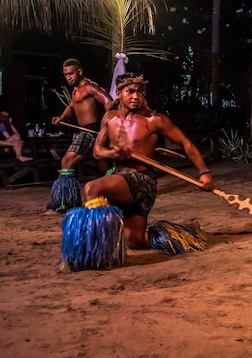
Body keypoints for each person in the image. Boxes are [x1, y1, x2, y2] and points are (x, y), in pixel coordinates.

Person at [60, 73, 215, 272]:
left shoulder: (154, 120)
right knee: (135, 241)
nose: (136, 96)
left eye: (140, 92)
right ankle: (189, 230)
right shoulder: (109, 119)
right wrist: (113, 151)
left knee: (92, 188)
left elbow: (185, 143)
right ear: (119, 93)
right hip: (120, 178)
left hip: (142, 181)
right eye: (130, 91)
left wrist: (204, 172)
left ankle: (94, 255)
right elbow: (98, 151)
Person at [45, 58, 112, 214]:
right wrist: (61, 118)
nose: (68, 77)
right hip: (84, 130)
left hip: (91, 130)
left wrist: (108, 121)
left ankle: (65, 204)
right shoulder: (75, 89)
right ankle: (113, 194)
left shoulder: (89, 87)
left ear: (79, 72)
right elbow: (72, 106)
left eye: (71, 74)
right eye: (66, 74)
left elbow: (107, 100)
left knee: (67, 161)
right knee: (103, 167)